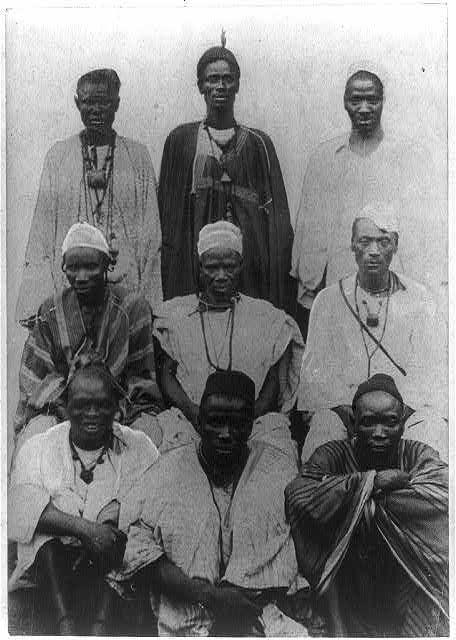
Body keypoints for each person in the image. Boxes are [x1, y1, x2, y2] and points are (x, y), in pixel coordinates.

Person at [109, 370, 317, 636]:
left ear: (251, 425)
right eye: (216, 422)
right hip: (186, 612)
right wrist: (211, 596)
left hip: (259, 614)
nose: (226, 434)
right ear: (199, 421)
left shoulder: (276, 470)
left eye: (237, 424)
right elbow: (140, 550)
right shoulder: (170, 469)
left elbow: (290, 553)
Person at [285, 374, 449, 637]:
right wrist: (373, 482)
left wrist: (356, 502)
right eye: (369, 422)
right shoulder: (333, 454)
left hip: (402, 584)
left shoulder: (416, 454)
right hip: (346, 589)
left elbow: (443, 491)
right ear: (353, 424)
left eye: (390, 423)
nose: (379, 433)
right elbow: (298, 494)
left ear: (403, 424)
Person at [291, 63, 445, 337]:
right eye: (356, 100)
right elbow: (309, 227)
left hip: (392, 276)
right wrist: (310, 282)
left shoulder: (407, 157)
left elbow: (421, 229)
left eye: (372, 100)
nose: (364, 108)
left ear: (383, 101)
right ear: (345, 102)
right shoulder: (325, 158)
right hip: (339, 276)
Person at [8, 362, 160, 635]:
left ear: (117, 407)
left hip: (110, 567)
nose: (92, 414)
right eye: (81, 405)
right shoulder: (39, 446)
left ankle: (99, 628)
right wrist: (85, 530)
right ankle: (65, 625)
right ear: (65, 406)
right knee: (40, 531)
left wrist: (111, 520)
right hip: (54, 568)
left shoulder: (140, 446)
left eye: (102, 405)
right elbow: (21, 506)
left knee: (136, 534)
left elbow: (154, 500)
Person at [158, 36, 296, 313]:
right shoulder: (181, 141)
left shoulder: (258, 145)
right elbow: (169, 221)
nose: (220, 86)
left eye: (227, 79)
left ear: (237, 85)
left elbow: (277, 224)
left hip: (250, 269)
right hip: (197, 269)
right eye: (212, 79)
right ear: (201, 85)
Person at [298, 208, 447, 461]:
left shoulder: (421, 299)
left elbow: (431, 375)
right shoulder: (327, 301)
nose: (374, 251)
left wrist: (393, 416)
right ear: (352, 245)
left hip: (403, 414)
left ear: (396, 245)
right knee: (323, 432)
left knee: (431, 432)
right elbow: (316, 379)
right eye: (365, 241)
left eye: (384, 241)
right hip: (347, 413)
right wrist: (355, 415)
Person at [16, 68, 162, 327]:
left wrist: (148, 305)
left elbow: (151, 236)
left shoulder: (137, 157)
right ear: (77, 103)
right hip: (72, 290)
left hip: (124, 294)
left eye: (103, 102)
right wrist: (40, 303)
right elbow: (41, 233)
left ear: (116, 103)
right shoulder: (58, 157)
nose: (96, 110)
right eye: (88, 102)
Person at [153, 220, 304, 453]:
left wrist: (249, 416)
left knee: (274, 454)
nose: (221, 275)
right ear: (200, 267)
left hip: (252, 423)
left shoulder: (265, 316)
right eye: (212, 267)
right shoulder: (174, 316)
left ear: (241, 266)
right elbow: (166, 375)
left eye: (229, 267)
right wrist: (193, 412)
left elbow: (274, 380)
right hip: (192, 422)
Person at [13, 222, 162, 450]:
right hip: (62, 408)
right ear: (63, 268)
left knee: (149, 439)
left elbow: (141, 378)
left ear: (107, 265)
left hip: (121, 409)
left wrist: (111, 411)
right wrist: (69, 411)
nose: (81, 277)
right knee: (34, 439)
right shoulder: (51, 311)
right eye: (73, 268)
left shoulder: (133, 308)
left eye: (91, 266)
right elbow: (35, 378)